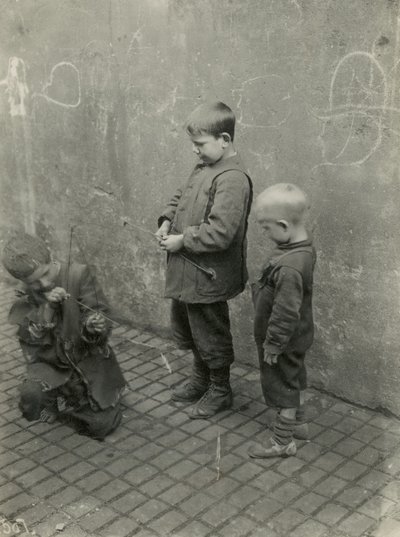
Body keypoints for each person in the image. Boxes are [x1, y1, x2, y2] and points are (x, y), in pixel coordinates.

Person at [156, 101, 253, 419]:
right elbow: (180, 196)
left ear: (224, 140)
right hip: (188, 271)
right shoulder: (203, 167)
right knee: (192, 328)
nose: (195, 151)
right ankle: (201, 380)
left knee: (211, 333)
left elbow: (221, 232)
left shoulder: (233, 179)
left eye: (200, 145)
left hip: (209, 275)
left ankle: (220, 390)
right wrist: (167, 220)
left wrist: (183, 240)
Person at [2, 232, 126, 440]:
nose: (43, 284)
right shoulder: (25, 295)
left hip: (84, 360)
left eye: (45, 274)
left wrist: (93, 325)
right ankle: (59, 398)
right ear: (22, 281)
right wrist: (48, 307)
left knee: (99, 427)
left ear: (50, 258)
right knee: (29, 398)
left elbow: (99, 311)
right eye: (33, 282)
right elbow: (30, 336)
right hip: (50, 364)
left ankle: (85, 399)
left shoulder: (78, 274)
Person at [248, 183, 316, 458]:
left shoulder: (289, 267)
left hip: (283, 340)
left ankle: (282, 441)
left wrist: (273, 345)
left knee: (282, 386)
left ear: (284, 225)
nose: (264, 233)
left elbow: (286, 311)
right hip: (296, 335)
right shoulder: (302, 247)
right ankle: (298, 423)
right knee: (293, 377)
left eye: (266, 228)